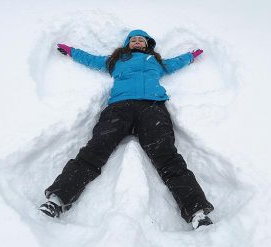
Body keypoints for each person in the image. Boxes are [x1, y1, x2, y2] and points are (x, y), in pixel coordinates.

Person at [39, 29, 214, 230]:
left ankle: (197, 212)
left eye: (141, 40)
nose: (138, 41)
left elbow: (176, 62)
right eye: (134, 39)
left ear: (147, 44)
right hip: (119, 109)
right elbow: (90, 59)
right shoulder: (116, 61)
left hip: (152, 109)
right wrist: (71, 51)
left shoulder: (156, 62)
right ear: (127, 43)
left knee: (166, 156)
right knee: (95, 150)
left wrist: (191, 56)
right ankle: (57, 200)